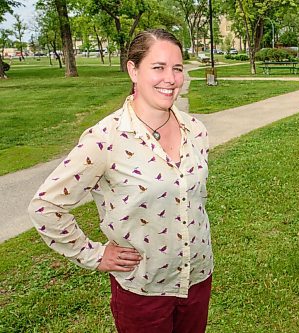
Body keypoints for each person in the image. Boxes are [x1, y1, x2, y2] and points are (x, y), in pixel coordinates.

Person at [29, 29, 213, 333]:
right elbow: (45, 207)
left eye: (177, 68)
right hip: (143, 291)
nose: (170, 78)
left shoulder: (196, 130)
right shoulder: (105, 139)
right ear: (133, 69)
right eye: (158, 67)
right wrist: (95, 254)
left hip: (197, 279)